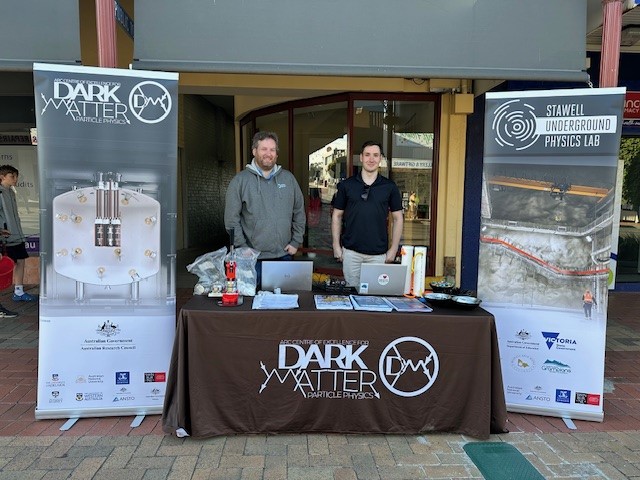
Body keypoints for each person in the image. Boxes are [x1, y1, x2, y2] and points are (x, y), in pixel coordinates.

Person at [224, 131, 306, 286]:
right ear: (254, 151)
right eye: (264, 149)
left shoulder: (288, 179)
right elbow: (231, 219)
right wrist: (243, 247)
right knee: (252, 305)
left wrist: (296, 242)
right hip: (252, 259)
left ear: (276, 154)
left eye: (272, 150)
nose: (268, 153)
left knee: (283, 305)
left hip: (284, 255)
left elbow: (299, 212)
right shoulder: (240, 181)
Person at [331, 141, 403, 287]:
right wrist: (336, 245)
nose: (371, 159)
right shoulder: (347, 185)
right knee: (352, 294)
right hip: (351, 253)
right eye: (367, 155)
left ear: (380, 159)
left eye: (375, 155)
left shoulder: (389, 187)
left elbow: (398, 218)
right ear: (361, 158)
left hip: (378, 255)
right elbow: (337, 216)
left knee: (375, 299)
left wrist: (394, 249)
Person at [0, 165, 35, 306]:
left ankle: (19, 291)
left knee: (21, 260)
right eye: (12, 176)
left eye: (16, 176)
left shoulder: (11, 192)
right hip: (5, 237)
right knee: (6, 264)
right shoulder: (1, 193)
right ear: (2, 177)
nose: (15, 179)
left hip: (16, 234)